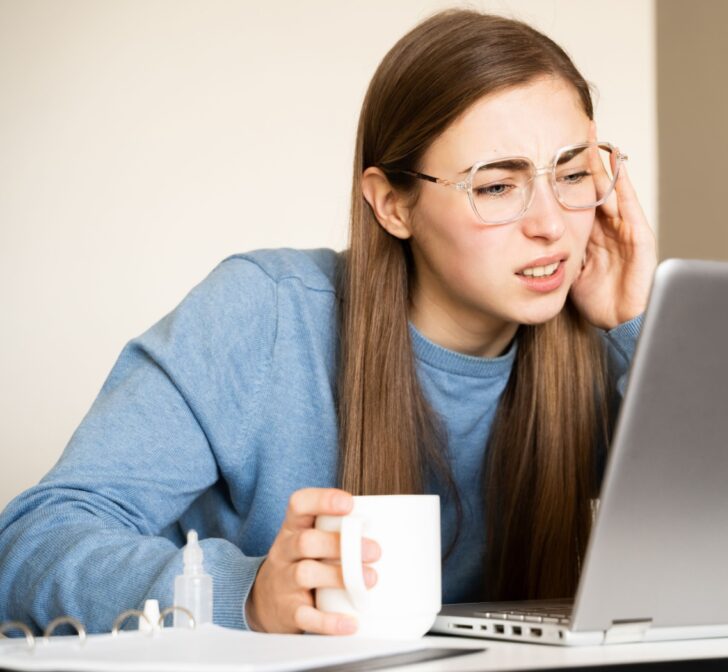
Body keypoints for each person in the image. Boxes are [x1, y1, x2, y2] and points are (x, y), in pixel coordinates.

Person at [0, 9, 656, 636]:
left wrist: (635, 327)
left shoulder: (599, 350)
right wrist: (249, 595)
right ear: (392, 206)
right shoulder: (265, 315)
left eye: (573, 173)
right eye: (495, 185)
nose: (550, 224)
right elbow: (32, 544)